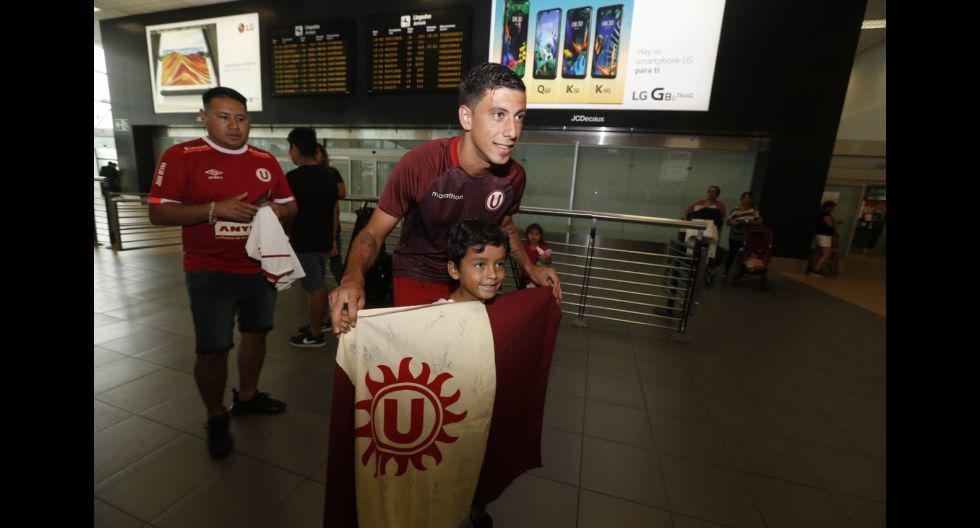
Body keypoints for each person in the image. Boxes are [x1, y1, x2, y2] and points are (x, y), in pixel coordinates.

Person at [329, 62, 562, 336]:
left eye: (519, 116)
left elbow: (506, 226)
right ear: (466, 118)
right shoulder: (421, 165)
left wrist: (530, 267)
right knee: (420, 362)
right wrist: (352, 278)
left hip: (470, 282)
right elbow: (373, 233)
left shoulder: (513, 177)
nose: (512, 131)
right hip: (417, 277)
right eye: (499, 114)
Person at [147, 86, 297, 458]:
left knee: (257, 333)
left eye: (241, 118)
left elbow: (290, 205)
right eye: (223, 116)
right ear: (204, 117)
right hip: (209, 270)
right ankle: (216, 415)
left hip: (259, 268)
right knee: (213, 349)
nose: (234, 125)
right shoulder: (182, 156)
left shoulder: (265, 159)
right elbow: (159, 212)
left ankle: (247, 395)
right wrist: (215, 209)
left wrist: (276, 213)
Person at [284, 127, 339, 347]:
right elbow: (334, 209)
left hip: (304, 239)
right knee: (315, 282)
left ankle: (315, 334)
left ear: (296, 148)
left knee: (314, 286)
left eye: (290, 147)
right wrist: (333, 237)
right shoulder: (328, 175)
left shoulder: (293, 178)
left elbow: (289, 212)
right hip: (323, 239)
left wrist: (286, 236)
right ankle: (320, 321)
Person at [446, 219, 510, 303]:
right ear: (454, 270)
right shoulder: (434, 314)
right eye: (480, 265)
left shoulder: (501, 309)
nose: (493, 275)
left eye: (499, 264)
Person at [315, 143, 347, 285]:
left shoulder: (332, 172)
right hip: (314, 229)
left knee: (335, 261)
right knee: (316, 266)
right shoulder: (304, 174)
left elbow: (342, 192)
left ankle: (344, 288)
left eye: (317, 153)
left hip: (332, 227)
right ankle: (317, 292)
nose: (315, 156)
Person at [723, 192, 762, 278]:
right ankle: (726, 271)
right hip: (735, 235)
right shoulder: (735, 209)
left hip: (747, 236)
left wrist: (749, 221)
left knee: (745, 255)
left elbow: (759, 221)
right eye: (745, 197)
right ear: (741, 199)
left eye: (748, 198)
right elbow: (728, 221)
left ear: (751, 199)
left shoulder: (754, 209)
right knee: (732, 254)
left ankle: (742, 273)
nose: (746, 199)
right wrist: (733, 223)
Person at [809, 200, 842, 277]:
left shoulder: (820, 213)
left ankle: (814, 268)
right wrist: (837, 222)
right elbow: (830, 224)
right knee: (827, 254)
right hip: (824, 236)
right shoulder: (825, 214)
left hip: (820, 235)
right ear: (829, 207)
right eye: (832, 207)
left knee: (818, 253)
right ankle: (816, 270)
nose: (832, 209)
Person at [519, 223, 552, 289]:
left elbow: (548, 262)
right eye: (531, 233)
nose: (534, 236)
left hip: (539, 275)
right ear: (527, 235)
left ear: (540, 236)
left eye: (537, 234)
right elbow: (520, 262)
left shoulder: (543, 247)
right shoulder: (524, 247)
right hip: (526, 276)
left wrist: (546, 259)